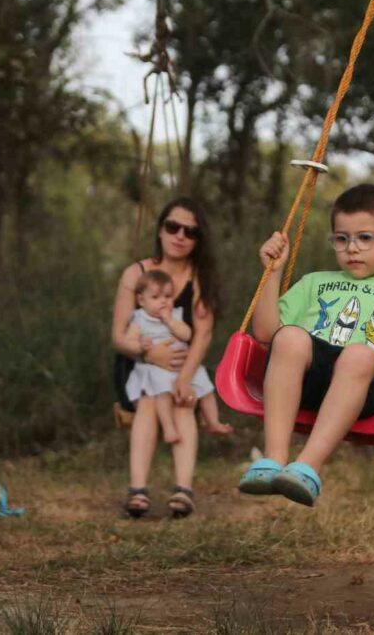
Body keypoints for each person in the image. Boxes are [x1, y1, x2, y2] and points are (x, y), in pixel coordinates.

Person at [237, 184, 374, 507]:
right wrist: (272, 274)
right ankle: (273, 460)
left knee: (358, 354)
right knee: (289, 336)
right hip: (307, 380)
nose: (352, 248)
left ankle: (307, 468)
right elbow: (264, 333)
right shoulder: (314, 282)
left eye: (365, 237)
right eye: (342, 239)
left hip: (362, 386)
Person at [111, 198, 232, 519]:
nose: (180, 236)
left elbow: (203, 334)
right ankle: (138, 489)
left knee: (184, 401)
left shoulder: (198, 278)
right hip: (139, 365)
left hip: (186, 366)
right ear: (161, 230)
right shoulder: (136, 273)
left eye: (190, 232)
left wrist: (182, 378)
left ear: (198, 240)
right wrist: (151, 353)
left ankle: (183, 490)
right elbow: (119, 337)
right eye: (172, 227)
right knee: (151, 403)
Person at [124, 269, 212, 444]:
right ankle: (169, 428)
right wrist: (141, 346)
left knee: (205, 383)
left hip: (182, 367)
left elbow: (187, 335)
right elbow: (129, 341)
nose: (163, 302)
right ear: (142, 300)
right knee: (161, 392)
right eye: (156, 297)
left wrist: (169, 321)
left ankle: (212, 421)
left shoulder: (175, 315)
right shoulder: (139, 320)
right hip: (158, 368)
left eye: (168, 296)